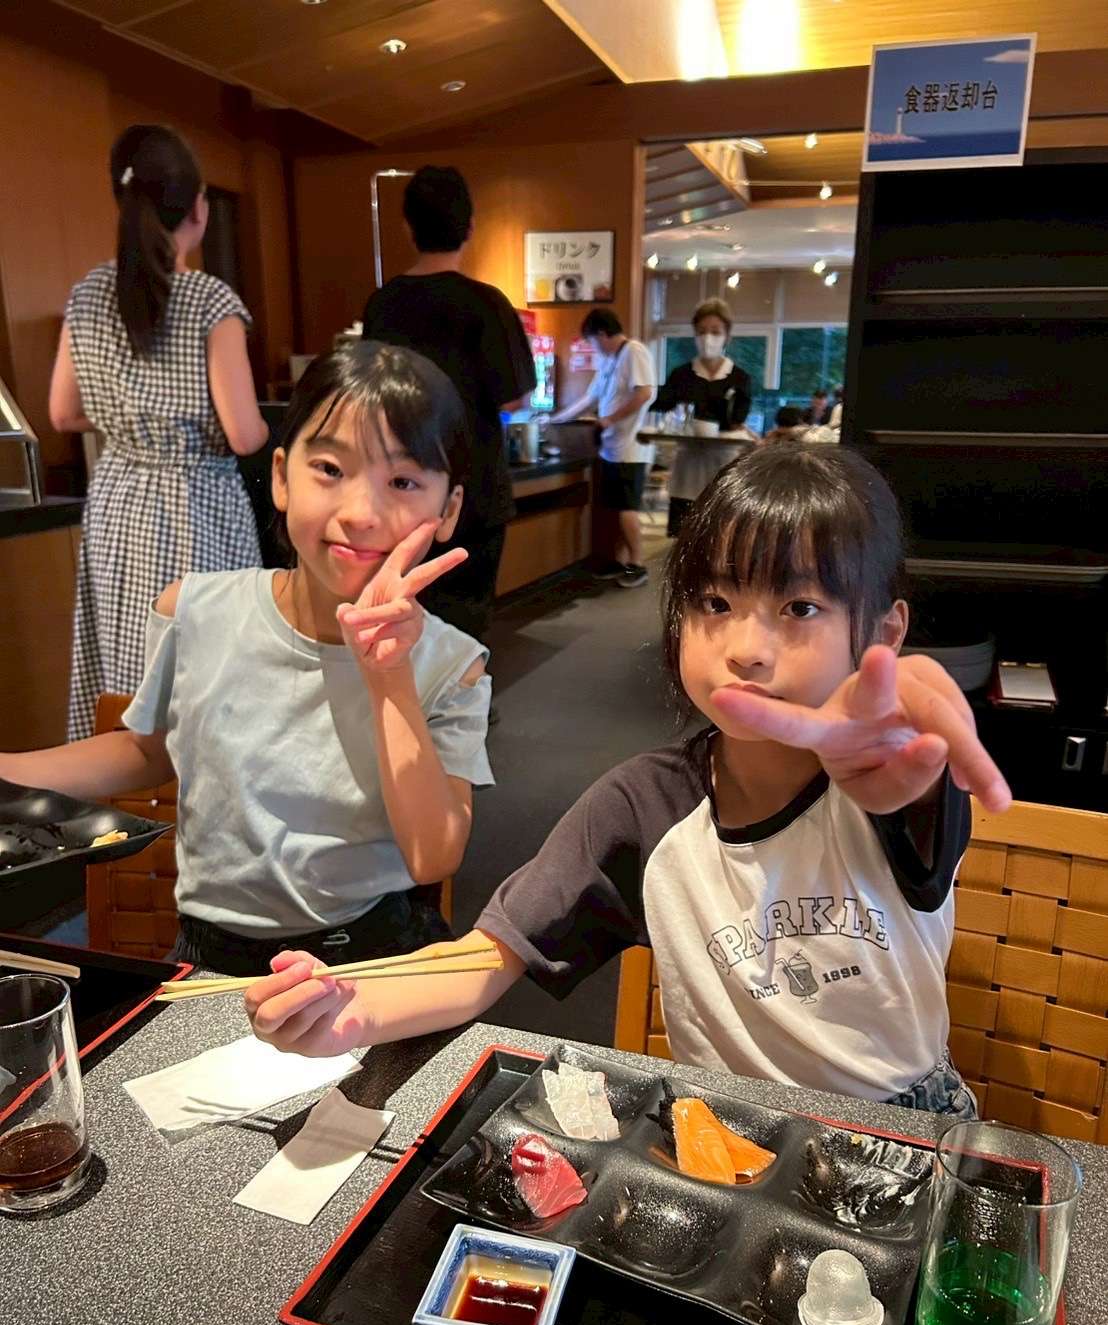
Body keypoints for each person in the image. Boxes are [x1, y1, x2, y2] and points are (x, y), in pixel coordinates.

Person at [244, 442, 1012, 1119]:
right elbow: (485, 956)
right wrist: (349, 1004)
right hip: (725, 1129)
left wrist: (905, 755)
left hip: (899, 1132)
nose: (746, 646)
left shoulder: (892, 781)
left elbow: (906, 783)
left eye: (799, 606)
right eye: (716, 602)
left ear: (883, 631)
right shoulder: (643, 805)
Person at [4, 344, 493, 974]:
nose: (361, 514)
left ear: (447, 510)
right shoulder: (194, 610)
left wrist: (388, 674)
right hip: (211, 956)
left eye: (402, 482)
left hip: (366, 956)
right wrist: (7, 773)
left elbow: (434, 856)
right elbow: (147, 752)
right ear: (283, 478)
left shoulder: (453, 664)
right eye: (330, 469)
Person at [50, 124, 269, 741]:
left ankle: (127, 778)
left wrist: (132, 423)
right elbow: (244, 433)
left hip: (117, 499)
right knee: (206, 662)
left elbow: (63, 412)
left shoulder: (88, 293)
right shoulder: (209, 301)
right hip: (196, 503)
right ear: (198, 208)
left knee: (127, 655)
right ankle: (200, 783)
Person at [361, 166, 535, 645]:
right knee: (467, 616)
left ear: (408, 227)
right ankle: (460, 689)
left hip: (398, 482)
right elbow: (515, 395)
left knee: (400, 605)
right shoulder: (487, 304)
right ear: (470, 227)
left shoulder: (383, 303)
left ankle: (400, 685)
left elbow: (368, 390)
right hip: (473, 486)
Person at [551, 307, 656, 589]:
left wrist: (611, 419)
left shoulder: (633, 351)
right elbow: (590, 399)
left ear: (601, 333)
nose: (593, 347)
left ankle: (638, 565)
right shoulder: (610, 361)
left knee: (626, 508)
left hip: (629, 448)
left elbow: (644, 392)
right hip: (611, 448)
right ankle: (619, 561)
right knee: (615, 508)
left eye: (592, 341)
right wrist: (558, 418)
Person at [650, 296, 754, 537]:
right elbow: (661, 406)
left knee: (720, 534)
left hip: (724, 461)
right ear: (695, 335)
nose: (708, 338)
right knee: (684, 535)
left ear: (727, 336)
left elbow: (738, 419)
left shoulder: (739, 378)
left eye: (715, 331)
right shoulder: (681, 375)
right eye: (702, 331)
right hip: (688, 462)